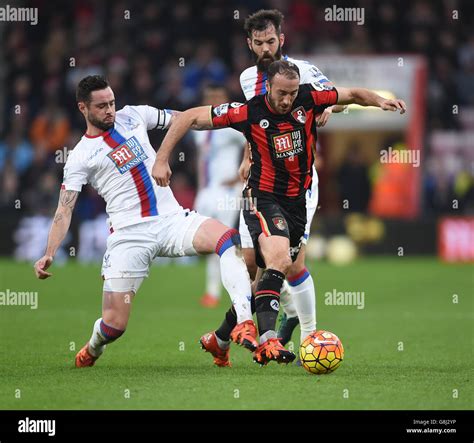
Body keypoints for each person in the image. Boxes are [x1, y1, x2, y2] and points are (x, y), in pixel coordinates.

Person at [152, 60, 406, 365]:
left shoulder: (309, 98)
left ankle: (219, 339)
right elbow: (191, 116)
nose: (287, 99)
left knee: (266, 276)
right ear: (268, 87)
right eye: (282, 93)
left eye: (292, 92)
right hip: (260, 197)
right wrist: (162, 158)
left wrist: (381, 101)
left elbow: (351, 94)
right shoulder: (248, 112)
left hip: (296, 202)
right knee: (277, 260)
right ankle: (269, 340)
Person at [33, 75, 257, 368]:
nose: (110, 110)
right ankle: (93, 347)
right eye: (101, 106)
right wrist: (50, 252)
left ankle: (243, 322)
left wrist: (239, 120)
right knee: (114, 326)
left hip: (172, 220)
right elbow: (65, 209)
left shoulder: (135, 115)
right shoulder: (80, 157)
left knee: (227, 239)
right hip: (129, 236)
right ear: (83, 108)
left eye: (112, 102)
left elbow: (186, 119)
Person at [207, 10, 349, 361]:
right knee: (255, 264)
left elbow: (336, 99)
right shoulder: (246, 79)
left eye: (272, 40)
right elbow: (256, 120)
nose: (266, 47)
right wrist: (246, 156)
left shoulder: (302, 71)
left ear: (281, 39)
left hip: (299, 182)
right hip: (262, 181)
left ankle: (309, 337)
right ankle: (225, 336)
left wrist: (330, 109)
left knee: (290, 263)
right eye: (259, 42)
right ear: (249, 44)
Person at [193, 85, 246, 308]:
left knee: (222, 243)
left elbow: (252, 142)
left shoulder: (231, 126)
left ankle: (222, 293)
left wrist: (239, 177)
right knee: (204, 242)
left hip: (227, 191)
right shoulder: (201, 128)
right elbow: (200, 159)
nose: (213, 101)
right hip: (207, 191)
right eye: (209, 97)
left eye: (217, 97)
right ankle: (221, 289)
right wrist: (200, 185)